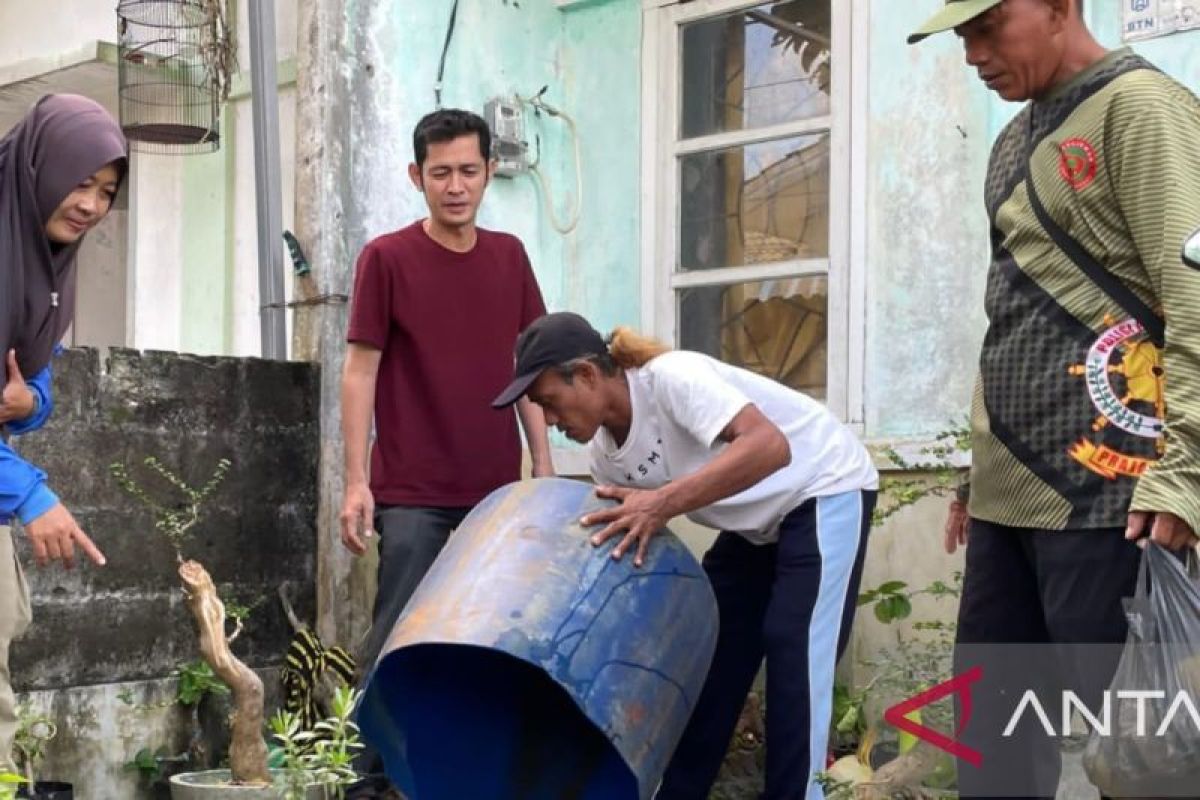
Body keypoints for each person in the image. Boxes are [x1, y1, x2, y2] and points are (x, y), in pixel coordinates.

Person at [909, 0, 1200, 795]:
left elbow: (1194, 292)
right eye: (961, 34)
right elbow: (1013, 307)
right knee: (996, 753)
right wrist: (977, 471)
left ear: (1060, 7)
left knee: (1147, 764)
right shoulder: (1010, 143)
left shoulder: (1142, 109)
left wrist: (1187, 475)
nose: (973, 53)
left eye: (987, 26)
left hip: (1115, 495)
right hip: (1013, 499)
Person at [492, 312, 878, 800]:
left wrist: (665, 501)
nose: (549, 420)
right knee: (704, 655)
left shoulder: (672, 379)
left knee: (792, 649)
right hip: (753, 525)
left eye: (550, 402)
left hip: (822, 488)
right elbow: (616, 551)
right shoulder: (605, 459)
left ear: (587, 375)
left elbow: (770, 446)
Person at [339, 108, 553, 795]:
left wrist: (542, 466)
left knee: (494, 638)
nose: (455, 186)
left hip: (496, 490)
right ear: (416, 177)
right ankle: (365, 779)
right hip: (411, 490)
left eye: (468, 170)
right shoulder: (387, 258)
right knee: (399, 634)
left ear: (490, 172)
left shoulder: (510, 256)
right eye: (440, 173)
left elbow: (531, 368)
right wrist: (354, 480)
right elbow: (360, 370)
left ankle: (475, 775)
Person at [0, 94, 125, 769]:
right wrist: (28, 494)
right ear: (39, 167)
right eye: (80, 180)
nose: (90, 204)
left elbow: (40, 385)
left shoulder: (45, 269)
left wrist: (27, 403)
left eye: (106, 191)